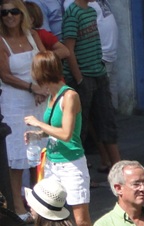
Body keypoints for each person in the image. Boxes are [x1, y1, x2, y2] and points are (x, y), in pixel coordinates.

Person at [24, 49, 90, 226]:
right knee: (47, 213)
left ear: (41, 72)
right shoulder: (52, 97)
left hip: (71, 163)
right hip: (53, 163)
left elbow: (67, 134)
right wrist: (38, 134)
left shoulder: (69, 96)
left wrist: (38, 123)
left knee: (81, 220)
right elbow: (54, 129)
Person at [60, 0, 120, 170]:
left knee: (107, 119)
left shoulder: (91, 12)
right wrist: (79, 78)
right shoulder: (73, 13)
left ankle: (117, 166)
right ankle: (77, 169)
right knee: (81, 125)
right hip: (83, 76)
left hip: (98, 73)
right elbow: (68, 49)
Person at [0, 0, 43, 219]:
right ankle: (17, 205)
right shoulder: (1, 41)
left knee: (40, 153)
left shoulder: (33, 36)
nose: (9, 16)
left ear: (22, 13)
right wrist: (30, 87)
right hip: (14, 101)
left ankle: (39, 201)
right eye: (4, 12)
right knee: (17, 156)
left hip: (38, 98)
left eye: (14, 11)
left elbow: (45, 61)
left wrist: (43, 86)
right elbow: (5, 75)